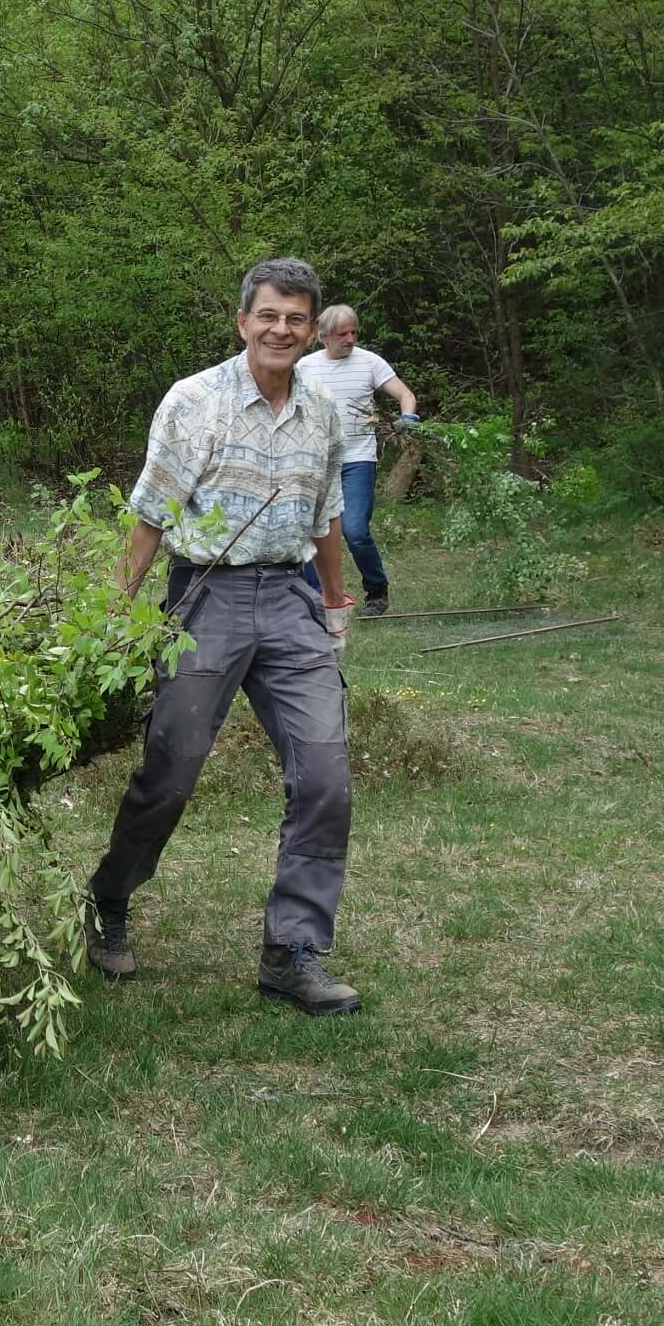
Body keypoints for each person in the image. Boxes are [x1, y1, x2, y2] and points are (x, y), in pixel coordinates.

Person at [85, 256, 363, 1014]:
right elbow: (150, 514)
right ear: (243, 321)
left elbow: (328, 515)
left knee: (326, 778)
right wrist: (111, 618)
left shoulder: (321, 412)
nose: (281, 329)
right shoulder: (195, 401)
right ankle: (108, 897)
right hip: (204, 595)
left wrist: (334, 603)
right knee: (169, 774)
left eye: (296, 318)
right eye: (267, 315)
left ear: (312, 330)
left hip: (288, 598)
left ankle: (292, 952)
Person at [301, 305, 420, 617]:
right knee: (312, 530)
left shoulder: (370, 362)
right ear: (323, 336)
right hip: (317, 462)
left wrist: (407, 417)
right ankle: (316, 597)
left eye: (354, 332)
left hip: (357, 459)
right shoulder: (304, 367)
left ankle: (377, 590)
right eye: (343, 334)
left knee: (354, 530)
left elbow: (405, 395)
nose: (350, 339)